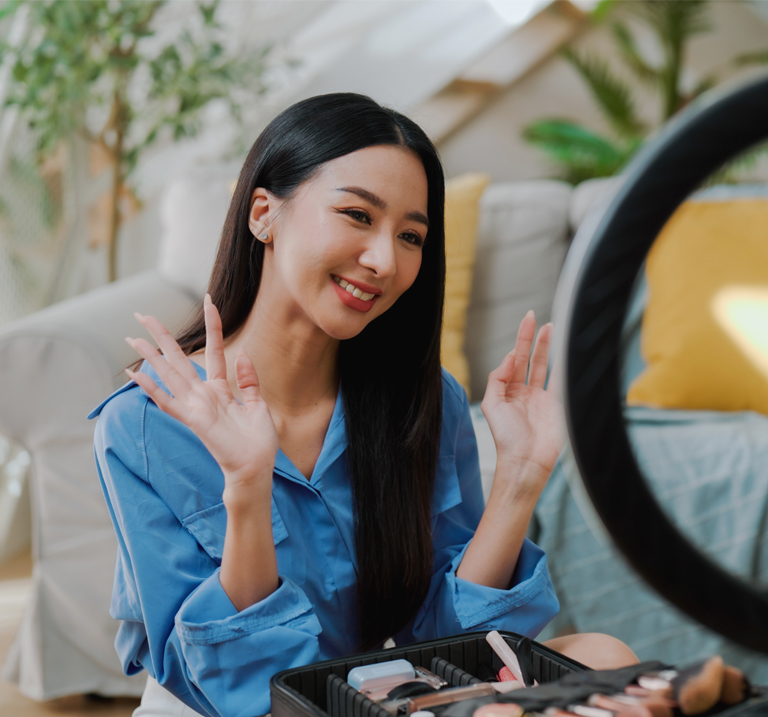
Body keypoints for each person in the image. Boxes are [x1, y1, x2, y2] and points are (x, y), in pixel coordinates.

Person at [90, 93, 636, 717]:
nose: (384, 260)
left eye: (410, 236)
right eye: (356, 214)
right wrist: (247, 488)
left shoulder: (422, 402)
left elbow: (452, 646)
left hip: (374, 697)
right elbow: (242, 688)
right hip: (232, 707)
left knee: (603, 656)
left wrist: (520, 477)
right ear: (264, 213)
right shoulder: (140, 424)